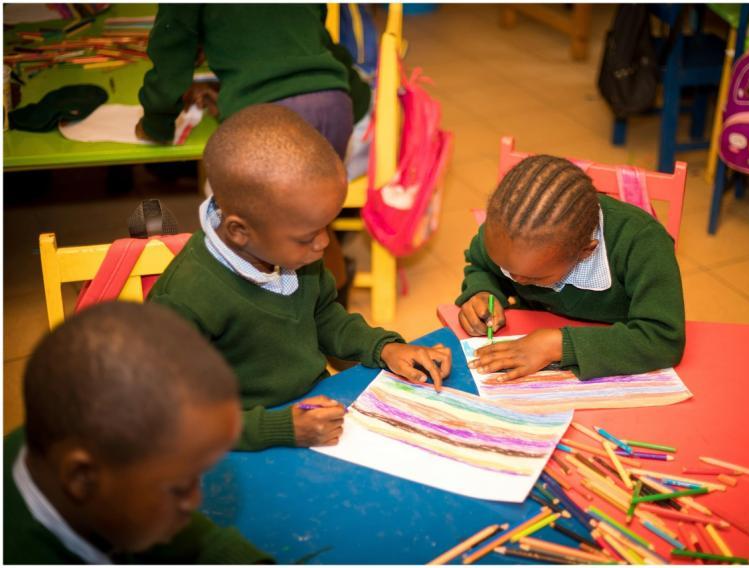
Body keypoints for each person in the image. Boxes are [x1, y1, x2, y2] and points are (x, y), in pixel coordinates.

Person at [148, 104, 451, 452]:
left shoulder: (286, 250)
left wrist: (383, 347)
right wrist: (280, 428)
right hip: (241, 439)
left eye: (328, 227)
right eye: (308, 236)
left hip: (311, 413)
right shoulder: (184, 299)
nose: (324, 243)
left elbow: (323, 316)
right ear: (239, 231)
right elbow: (177, 416)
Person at [4, 302, 272, 564]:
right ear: (81, 477)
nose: (195, 501)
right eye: (179, 489)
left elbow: (195, 541)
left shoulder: (60, 437)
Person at [135, 4, 372, 299]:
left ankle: (260, 311)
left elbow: (172, 49)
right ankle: (330, 300)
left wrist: (157, 121)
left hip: (267, 114)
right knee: (312, 219)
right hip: (334, 103)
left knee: (250, 227)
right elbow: (312, 40)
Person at [456, 155, 685, 381]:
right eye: (505, 267)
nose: (513, 278)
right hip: (530, 331)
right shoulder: (507, 229)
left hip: (615, 361)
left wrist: (558, 345)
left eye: (533, 276)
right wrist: (482, 292)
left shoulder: (642, 242)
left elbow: (663, 339)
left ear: (586, 251)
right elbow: (481, 266)